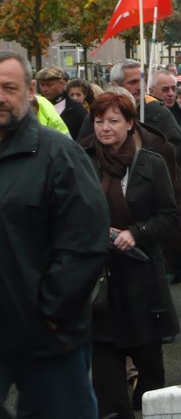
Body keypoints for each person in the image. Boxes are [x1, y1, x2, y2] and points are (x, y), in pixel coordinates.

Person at [0, 51, 109, 419]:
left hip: (49, 338)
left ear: (30, 91)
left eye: (8, 88)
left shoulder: (59, 155)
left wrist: (48, 314)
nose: (0, 96)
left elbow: (84, 243)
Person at [81, 92, 180, 418]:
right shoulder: (81, 160)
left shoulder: (151, 163)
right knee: (107, 385)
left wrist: (135, 233)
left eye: (113, 121)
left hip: (142, 280)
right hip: (101, 283)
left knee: (151, 376)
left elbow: (169, 217)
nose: (105, 128)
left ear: (129, 123)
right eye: (99, 121)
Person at [36, 65, 87, 139]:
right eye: (42, 85)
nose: (44, 89)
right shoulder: (34, 106)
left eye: (49, 85)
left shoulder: (77, 109)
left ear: (62, 83)